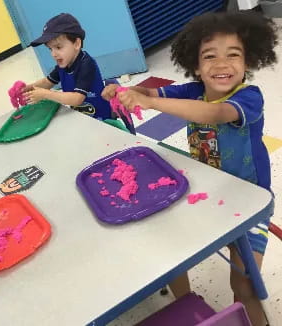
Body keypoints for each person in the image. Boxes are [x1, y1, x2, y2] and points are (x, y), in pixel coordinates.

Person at [102, 12, 277, 326]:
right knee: (173, 253)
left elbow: (215, 113)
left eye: (233, 55)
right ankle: (185, 305)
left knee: (244, 286)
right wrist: (120, 91)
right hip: (209, 195)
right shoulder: (194, 91)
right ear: (196, 67)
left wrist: (153, 104)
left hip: (249, 205)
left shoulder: (249, 98)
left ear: (247, 62)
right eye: (210, 56)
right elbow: (149, 94)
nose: (221, 64)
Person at [22, 13, 135, 133]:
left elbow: (77, 99)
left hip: (103, 123)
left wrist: (46, 94)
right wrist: (28, 88)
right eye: (50, 49)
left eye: (58, 47)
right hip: (83, 119)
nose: (53, 54)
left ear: (77, 44)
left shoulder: (86, 64)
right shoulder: (63, 64)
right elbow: (47, 82)